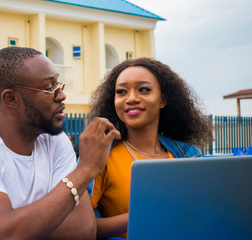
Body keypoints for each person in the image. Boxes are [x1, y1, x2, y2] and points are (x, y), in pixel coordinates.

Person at [0, 47, 120, 240]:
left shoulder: (54, 140)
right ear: (11, 98)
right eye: (49, 88)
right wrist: (85, 169)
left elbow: (83, 230)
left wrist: (13, 227)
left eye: (59, 85)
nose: (61, 95)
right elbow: (8, 234)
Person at [87, 57, 213, 238]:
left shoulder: (188, 156)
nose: (131, 99)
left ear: (163, 100)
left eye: (143, 90)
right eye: (121, 92)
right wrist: (145, 214)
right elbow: (81, 227)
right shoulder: (100, 158)